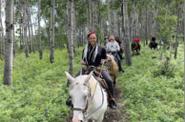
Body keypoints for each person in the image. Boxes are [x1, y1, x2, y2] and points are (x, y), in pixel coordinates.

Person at [66, 32, 117, 109]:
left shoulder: (101, 49)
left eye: (94, 38)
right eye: (91, 38)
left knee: (109, 80)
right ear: (88, 39)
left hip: (98, 68)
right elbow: (83, 60)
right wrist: (83, 62)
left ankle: (111, 99)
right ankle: (71, 98)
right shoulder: (85, 49)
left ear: (96, 39)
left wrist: (106, 60)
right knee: (74, 80)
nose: (92, 39)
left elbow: (105, 58)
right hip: (87, 68)